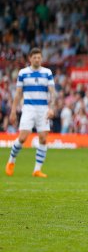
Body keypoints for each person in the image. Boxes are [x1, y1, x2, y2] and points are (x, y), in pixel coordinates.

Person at [5, 48, 56, 178]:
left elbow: (52, 92)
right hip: (28, 108)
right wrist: (13, 111)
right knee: (22, 137)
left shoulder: (47, 72)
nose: (37, 59)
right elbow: (17, 93)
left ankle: (37, 170)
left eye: (39, 57)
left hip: (43, 109)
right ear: (30, 58)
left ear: (42, 59)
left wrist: (52, 108)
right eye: (35, 57)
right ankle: (11, 161)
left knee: (43, 138)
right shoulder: (23, 73)